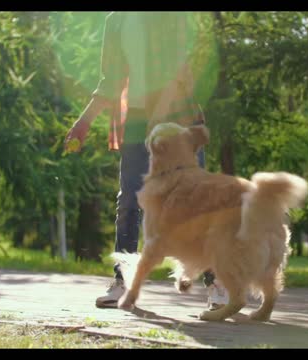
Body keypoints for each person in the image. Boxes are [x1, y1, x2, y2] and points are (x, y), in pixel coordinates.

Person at [64, 12, 228, 310]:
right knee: (129, 200)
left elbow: (179, 70)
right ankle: (122, 281)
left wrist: (159, 112)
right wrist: (83, 122)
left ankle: (215, 281)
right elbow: (110, 80)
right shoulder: (116, 20)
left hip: (177, 116)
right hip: (139, 122)